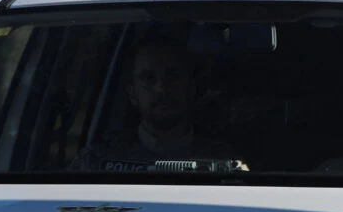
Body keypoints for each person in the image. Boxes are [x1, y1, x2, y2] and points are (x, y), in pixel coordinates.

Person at [78, 34, 244, 172]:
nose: (161, 89)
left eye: (172, 76)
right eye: (148, 78)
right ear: (133, 94)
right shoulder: (98, 160)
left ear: (191, 88)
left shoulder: (225, 163)